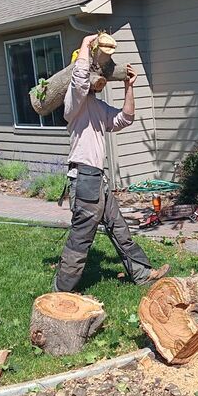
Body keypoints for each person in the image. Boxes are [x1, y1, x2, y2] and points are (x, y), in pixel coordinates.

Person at [53, 34, 169, 292]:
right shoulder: (73, 103)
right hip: (84, 178)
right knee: (82, 237)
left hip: (98, 180)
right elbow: (80, 79)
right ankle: (62, 291)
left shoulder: (97, 107)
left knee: (119, 228)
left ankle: (142, 273)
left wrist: (129, 87)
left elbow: (125, 118)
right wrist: (84, 44)